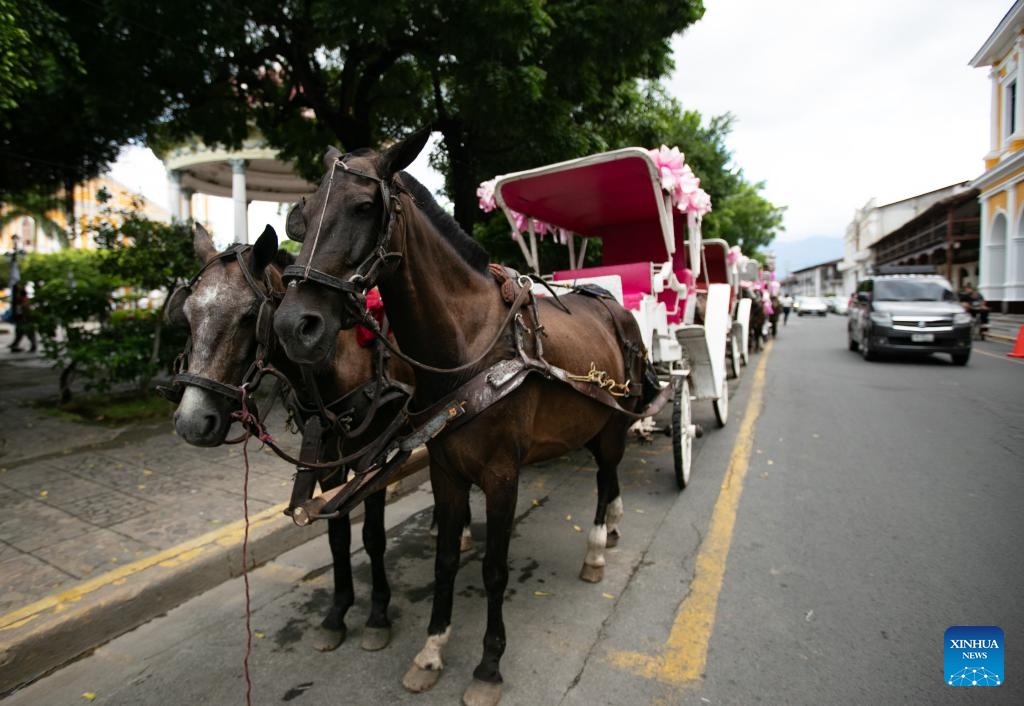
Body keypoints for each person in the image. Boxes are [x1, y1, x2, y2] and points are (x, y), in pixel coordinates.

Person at [8, 282, 37, 353]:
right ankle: (15, 345)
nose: (17, 295)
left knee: (28, 333)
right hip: (21, 320)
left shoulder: (24, 301)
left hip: (25, 320)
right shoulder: (20, 301)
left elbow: (26, 310)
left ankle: (33, 345)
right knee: (19, 333)